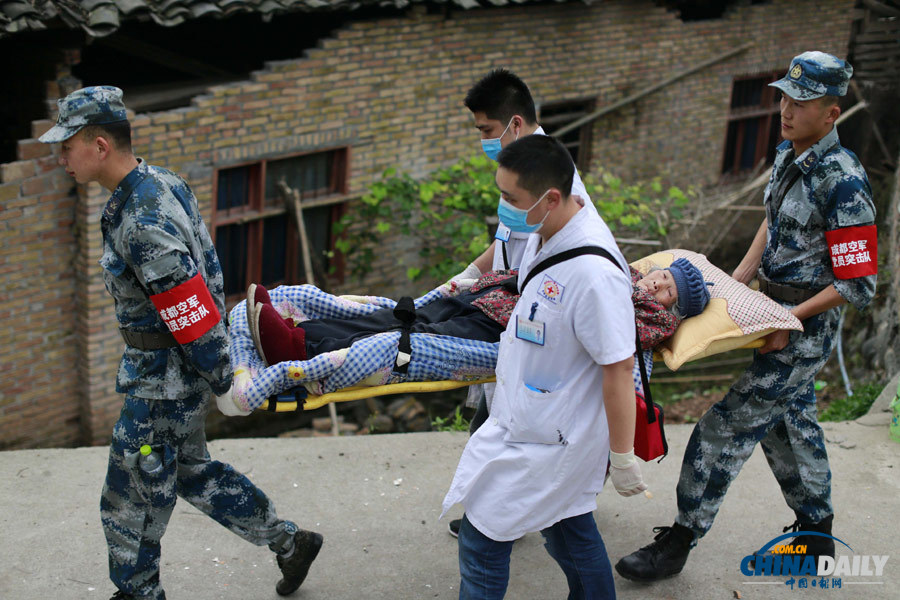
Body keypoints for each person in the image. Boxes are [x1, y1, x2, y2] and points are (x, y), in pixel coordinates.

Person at [40, 86, 323, 600]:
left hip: (164, 381)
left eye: (67, 145)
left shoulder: (142, 217)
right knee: (190, 471)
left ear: (100, 146)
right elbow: (203, 284)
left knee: (131, 495)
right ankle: (289, 542)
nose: (60, 157)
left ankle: (138, 593)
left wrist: (226, 382)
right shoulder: (155, 181)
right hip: (172, 370)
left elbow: (187, 310)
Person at [615, 51, 877, 583]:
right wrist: (738, 279)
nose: (786, 109)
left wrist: (789, 320)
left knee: (722, 426)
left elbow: (859, 284)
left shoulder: (844, 182)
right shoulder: (788, 156)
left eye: (801, 102)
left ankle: (681, 539)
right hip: (769, 308)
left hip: (805, 326)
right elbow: (771, 221)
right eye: (784, 96)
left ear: (831, 112)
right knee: (790, 424)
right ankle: (817, 537)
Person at [441, 134, 647, 599]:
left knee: (481, 541)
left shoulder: (594, 276)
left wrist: (622, 456)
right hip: (532, 419)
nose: (502, 206)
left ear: (551, 198)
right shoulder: (544, 232)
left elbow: (618, 367)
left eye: (511, 198)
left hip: (556, 438)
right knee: (568, 532)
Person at [247, 257, 710, 366]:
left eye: (666, 288)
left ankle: (298, 349)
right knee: (402, 316)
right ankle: (302, 327)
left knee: (404, 342)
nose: (655, 283)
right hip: (494, 295)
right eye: (661, 275)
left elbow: (610, 329)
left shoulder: (655, 319)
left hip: (511, 327)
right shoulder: (620, 270)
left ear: (674, 308)